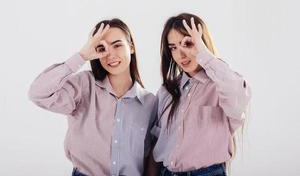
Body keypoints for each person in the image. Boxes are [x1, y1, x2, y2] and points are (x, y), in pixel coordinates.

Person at [28, 18, 157, 176]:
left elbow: (152, 156)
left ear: (131, 47)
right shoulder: (83, 85)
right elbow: (38, 93)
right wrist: (82, 55)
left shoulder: (150, 103)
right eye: (102, 48)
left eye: (117, 45)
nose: (110, 54)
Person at [150, 13, 252, 176]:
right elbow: (156, 142)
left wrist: (203, 54)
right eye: (173, 47)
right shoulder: (166, 91)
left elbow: (239, 94)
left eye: (188, 43)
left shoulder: (221, 86)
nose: (181, 54)